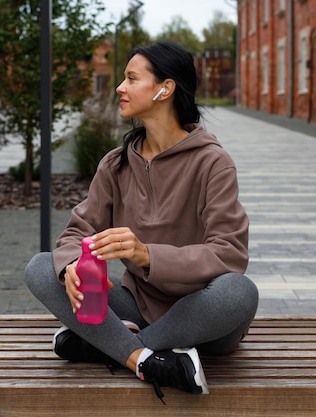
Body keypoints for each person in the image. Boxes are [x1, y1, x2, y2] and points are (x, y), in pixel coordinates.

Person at [24, 41, 259, 402]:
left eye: (132, 78)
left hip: (202, 315)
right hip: (137, 306)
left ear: (165, 89)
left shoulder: (213, 162)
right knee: (42, 267)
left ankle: (110, 346)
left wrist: (147, 255)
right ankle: (146, 360)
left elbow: (228, 255)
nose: (120, 87)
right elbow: (77, 231)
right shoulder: (116, 163)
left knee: (240, 292)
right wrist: (70, 266)